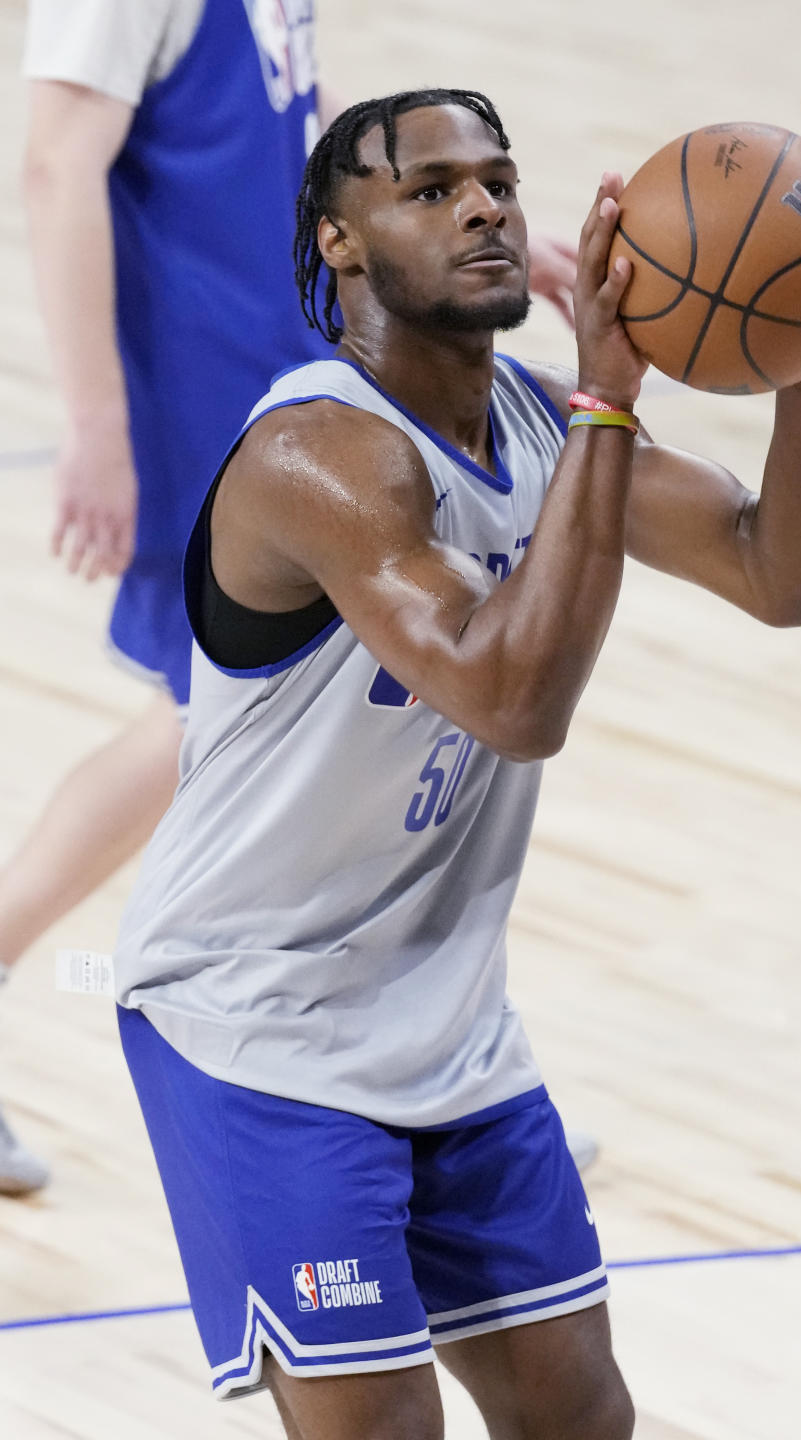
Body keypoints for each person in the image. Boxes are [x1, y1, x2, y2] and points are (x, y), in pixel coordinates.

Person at [111, 88, 801, 1436]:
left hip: (447, 1022)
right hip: (255, 1024)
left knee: (581, 1418)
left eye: (498, 181)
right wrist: (607, 400)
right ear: (340, 243)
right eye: (429, 189)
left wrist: (800, 338)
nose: (481, 206)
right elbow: (513, 702)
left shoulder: (536, 421)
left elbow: (785, 570)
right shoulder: (321, 457)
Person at [1, 2, 579, 1194]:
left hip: (290, 355)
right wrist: (100, 423)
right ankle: (407, 1077)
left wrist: (456, 253)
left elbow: (300, 143)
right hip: (201, 384)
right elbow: (56, 162)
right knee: (222, 716)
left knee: (214, 721)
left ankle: (422, 1068)